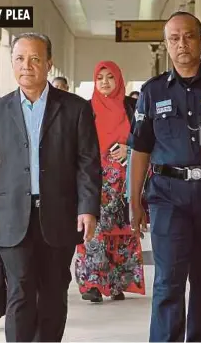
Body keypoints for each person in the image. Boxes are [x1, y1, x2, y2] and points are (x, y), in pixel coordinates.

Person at [0, 32, 102, 342]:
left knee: (53, 291)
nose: (26, 66)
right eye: (19, 59)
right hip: (11, 215)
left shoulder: (75, 108)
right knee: (19, 290)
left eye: (35, 59)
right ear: (12, 63)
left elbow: (88, 162)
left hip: (59, 214)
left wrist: (88, 208)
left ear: (49, 63)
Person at [129, 11, 201, 342]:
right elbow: (139, 149)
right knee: (168, 279)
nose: (182, 44)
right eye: (174, 38)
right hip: (167, 194)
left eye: (188, 36)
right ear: (166, 45)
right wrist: (134, 201)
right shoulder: (153, 91)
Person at [75, 60, 145, 303]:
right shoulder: (85, 109)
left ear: (119, 79)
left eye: (110, 77)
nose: (105, 82)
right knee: (91, 230)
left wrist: (130, 149)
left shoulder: (132, 107)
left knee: (121, 232)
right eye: (100, 77)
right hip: (93, 179)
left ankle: (115, 284)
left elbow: (146, 138)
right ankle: (92, 284)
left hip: (124, 181)